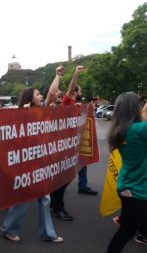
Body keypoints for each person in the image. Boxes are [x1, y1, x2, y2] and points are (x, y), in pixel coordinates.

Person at [0, 87, 63, 243]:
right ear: (30, 98)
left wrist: (57, 75)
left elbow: (51, 93)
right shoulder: (19, 113)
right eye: (37, 94)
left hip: (40, 162)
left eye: (40, 94)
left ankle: (47, 233)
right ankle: (9, 229)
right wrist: (24, 115)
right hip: (25, 164)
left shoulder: (42, 111)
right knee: (23, 198)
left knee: (45, 199)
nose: (41, 96)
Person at [106, 92, 147, 252]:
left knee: (126, 231)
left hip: (126, 186)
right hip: (140, 190)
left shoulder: (120, 130)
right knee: (128, 230)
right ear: (134, 108)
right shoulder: (140, 129)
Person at [62, 66, 98, 196]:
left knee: (82, 160)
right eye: (80, 90)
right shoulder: (67, 101)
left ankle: (82, 185)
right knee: (67, 166)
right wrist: (76, 73)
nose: (81, 92)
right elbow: (71, 87)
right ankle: (57, 191)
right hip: (67, 140)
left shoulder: (74, 104)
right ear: (75, 92)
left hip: (75, 138)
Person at [47, 65, 74, 221]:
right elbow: (51, 93)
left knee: (64, 179)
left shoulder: (64, 107)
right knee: (59, 181)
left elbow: (69, 91)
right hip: (51, 152)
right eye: (57, 93)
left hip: (64, 150)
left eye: (60, 94)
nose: (59, 94)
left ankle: (54, 203)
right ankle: (58, 208)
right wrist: (58, 75)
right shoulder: (47, 109)